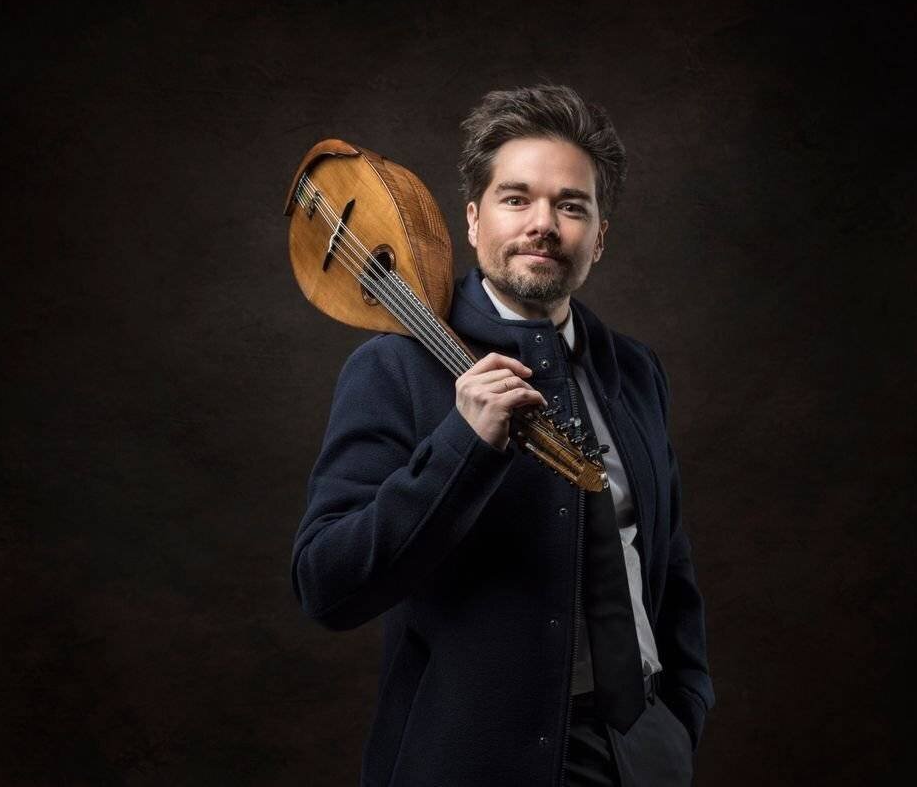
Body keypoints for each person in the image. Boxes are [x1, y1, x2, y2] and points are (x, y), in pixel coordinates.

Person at [292, 84, 714, 786]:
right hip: (467, 765)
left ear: (600, 235)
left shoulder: (635, 370)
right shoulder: (394, 366)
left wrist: (680, 716)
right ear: (472, 219)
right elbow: (325, 584)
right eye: (516, 199)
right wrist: (464, 442)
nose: (543, 223)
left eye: (571, 205)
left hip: (637, 755)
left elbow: (667, 566)